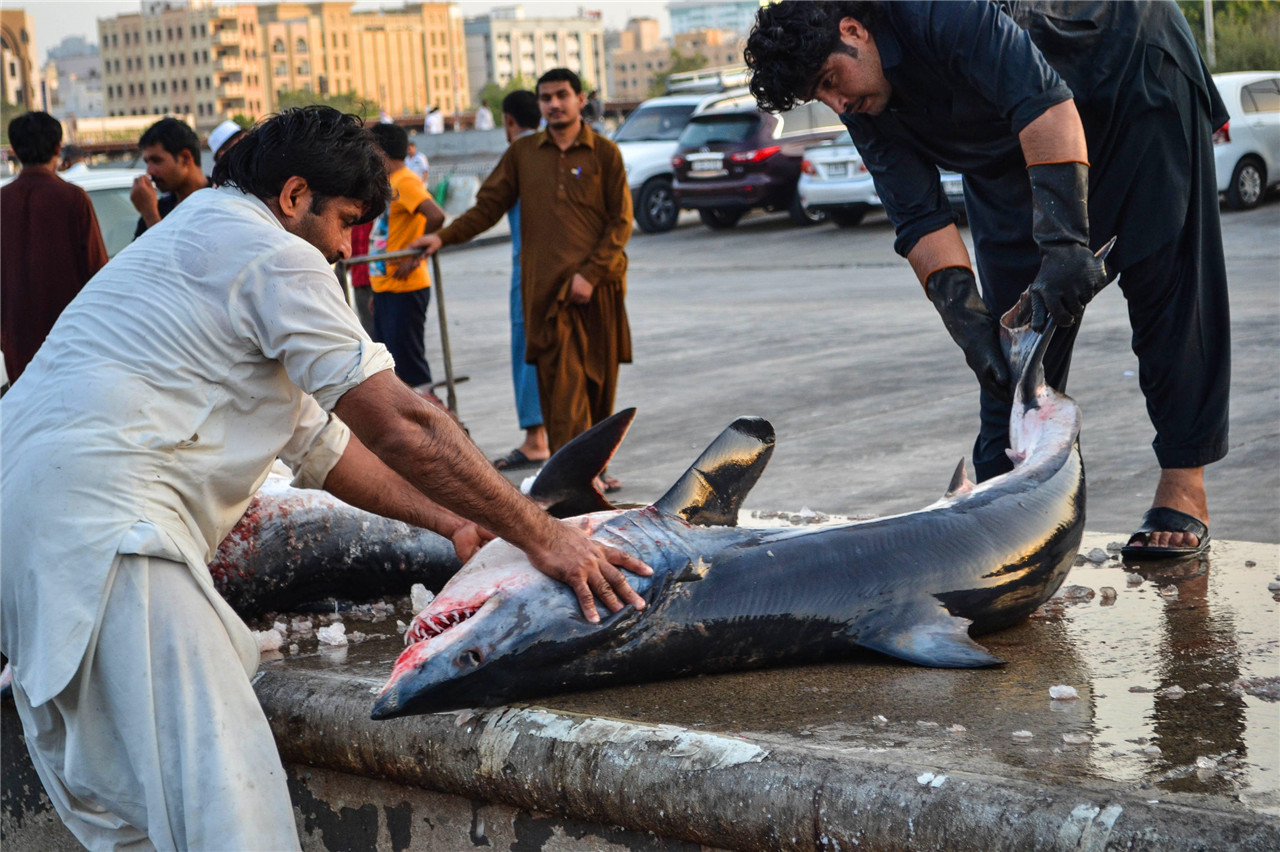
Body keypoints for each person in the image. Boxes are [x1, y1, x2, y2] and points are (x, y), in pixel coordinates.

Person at [0, 105, 649, 851]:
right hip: (115, 543)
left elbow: (325, 447)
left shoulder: (188, 241)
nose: (347, 248)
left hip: (26, 550)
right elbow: (401, 422)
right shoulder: (271, 253)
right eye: (344, 222)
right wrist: (542, 535)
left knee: (138, 829)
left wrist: (455, 524)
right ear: (294, 196)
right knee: (231, 816)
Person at [744, 1, 1229, 559]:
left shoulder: (938, 13)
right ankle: (1010, 501)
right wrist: (969, 324)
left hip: (1128, 77)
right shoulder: (861, 101)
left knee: (1167, 288)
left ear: (853, 31)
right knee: (1012, 343)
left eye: (831, 81)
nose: (838, 103)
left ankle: (1184, 483)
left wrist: (1066, 241)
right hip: (1012, 152)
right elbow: (920, 219)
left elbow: (1042, 105)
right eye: (819, 98)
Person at [414, 69, 633, 491]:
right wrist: (443, 236)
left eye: (562, 95)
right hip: (549, 296)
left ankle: (594, 470)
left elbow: (620, 223)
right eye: (546, 97)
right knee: (562, 386)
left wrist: (590, 274)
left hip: (600, 290)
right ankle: (576, 480)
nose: (554, 104)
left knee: (598, 386)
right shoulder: (523, 154)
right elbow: (487, 208)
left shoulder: (605, 153)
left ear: (580, 99)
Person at [1, 111, 109, 385]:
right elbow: (98, 273)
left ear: (15, 150)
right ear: (58, 147)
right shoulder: (73, 199)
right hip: (69, 341)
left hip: (16, 341)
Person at [490, 89, 550, 471]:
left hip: (528, 267)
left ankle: (536, 439)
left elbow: (486, 206)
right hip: (566, 268)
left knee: (527, 350)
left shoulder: (516, 157)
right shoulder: (557, 151)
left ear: (509, 121)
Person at [367, 122, 447, 402]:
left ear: (379, 151)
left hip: (406, 286)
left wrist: (415, 257)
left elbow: (436, 215)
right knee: (392, 365)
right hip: (388, 288)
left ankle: (435, 417)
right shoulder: (390, 183)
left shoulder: (407, 180)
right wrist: (378, 291)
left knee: (409, 362)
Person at [130, 116, 208, 238]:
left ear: (185, 158)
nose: (149, 171)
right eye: (147, 162)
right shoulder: (160, 208)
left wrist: (151, 216)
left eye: (157, 161)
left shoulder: (220, 200)